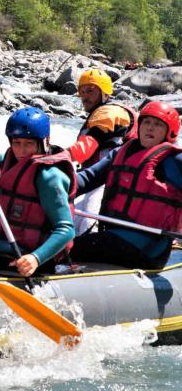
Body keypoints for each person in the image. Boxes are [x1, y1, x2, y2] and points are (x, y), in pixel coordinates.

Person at [0, 108, 76, 277]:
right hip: (6, 240)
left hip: (31, 253)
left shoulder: (49, 177)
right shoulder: (8, 159)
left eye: (29, 144)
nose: (22, 151)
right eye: (17, 143)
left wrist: (35, 258)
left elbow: (66, 230)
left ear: (44, 142)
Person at [71, 101, 182, 269]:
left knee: (73, 248)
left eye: (158, 124)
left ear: (170, 132)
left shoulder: (174, 160)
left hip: (150, 246)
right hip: (115, 235)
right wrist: (56, 184)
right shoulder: (121, 152)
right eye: (147, 122)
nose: (150, 128)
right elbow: (87, 178)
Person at [68, 68, 137, 234]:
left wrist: (54, 158)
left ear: (105, 92)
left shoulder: (109, 112)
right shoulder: (99, 113)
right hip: (92, 178)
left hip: (109, 179)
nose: (85, 96)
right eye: (82, 92)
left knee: (88, 223)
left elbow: (85, 148)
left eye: (91, 91)